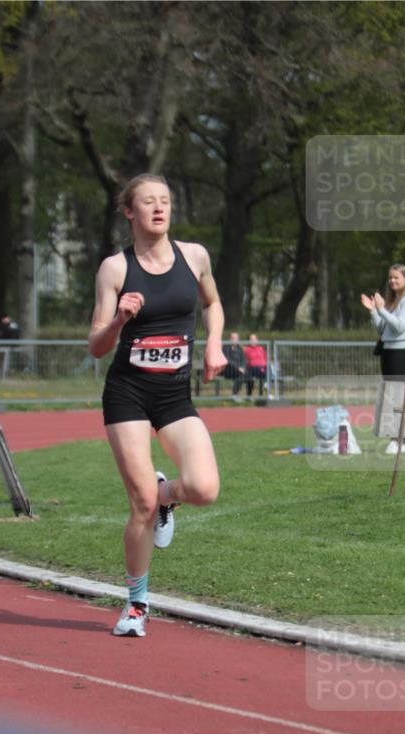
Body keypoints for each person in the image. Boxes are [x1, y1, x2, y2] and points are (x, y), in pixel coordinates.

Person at [89, 173, 227, 637]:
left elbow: (213, 304)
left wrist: (214, 346)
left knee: (205, 488)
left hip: (173, 394)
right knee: (141, 504)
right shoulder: (114, 268)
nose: (159, 208)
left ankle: (170, 497)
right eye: (148, 202)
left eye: (165, 200)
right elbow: (95, 345)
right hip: (127, 392)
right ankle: (136, 604)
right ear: (130, 212)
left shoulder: (195, 256)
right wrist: (120, 320)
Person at [361, 263, 405, 454]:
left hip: (404, 351)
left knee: (402, 396)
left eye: (397, 277)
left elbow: (399, 326)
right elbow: (383, 329)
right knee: (392, 396)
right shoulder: (393, 300)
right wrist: (373, 310)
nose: (393, 281)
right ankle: (396, 439)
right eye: (390, 278)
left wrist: (382, 309)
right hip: (389, 350)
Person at [222, 331, 246, 402]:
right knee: (241, 375)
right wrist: (238, 368)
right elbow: (227, 360)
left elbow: (244, 360)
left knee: (249, 376)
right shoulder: (225, 348)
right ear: (229, 339)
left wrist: (243, 367)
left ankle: (249, 396)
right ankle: (235, 395)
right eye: (232, 338)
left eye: (236, 338)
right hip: (228, 370)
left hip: (240, 370)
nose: (234, 339)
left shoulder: (240, 349)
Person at [243, 333, 267, 399]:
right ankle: (266, 388)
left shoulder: (261, 348)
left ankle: (266, 390)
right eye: (251, 339)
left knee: (269, 372)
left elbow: (265, 358)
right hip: (252, 369)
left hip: (263, 368)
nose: (253, 340)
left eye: (254, 339)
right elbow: (244, 360)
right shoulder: (246, 349)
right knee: (265, 372)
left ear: (257, 340)